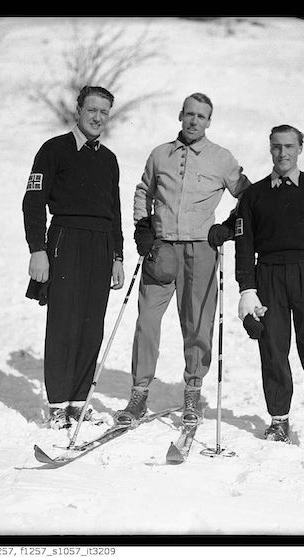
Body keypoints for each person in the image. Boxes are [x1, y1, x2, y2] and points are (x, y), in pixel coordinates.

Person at [114, 92, 251, 427]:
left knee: (197, 324)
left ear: (209, 121)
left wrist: (229, 227)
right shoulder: (160, 155)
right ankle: (139, 394)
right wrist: (142, 225)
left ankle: (192, 392)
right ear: (180, 115)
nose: (194, 121)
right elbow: (143, 190)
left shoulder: (221, 158)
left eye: (201, 117)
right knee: (147, 321)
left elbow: (249, 197)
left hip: (201, 250)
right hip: (161, 250)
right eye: (189, 114)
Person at [228, 124, 304, 449]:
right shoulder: (255, 195)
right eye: (277, 147)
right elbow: (244, 244)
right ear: (270, 149)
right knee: (273, 348)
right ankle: (278, 420)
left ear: (299, 149)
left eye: (289, 147)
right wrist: (247, 289)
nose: (283, 153)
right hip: (268, 277)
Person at [22, 85, 125, 429]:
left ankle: (79, 401)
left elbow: (115, 213)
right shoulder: (53, 150)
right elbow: (33, 201)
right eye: (92, 110)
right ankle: (57, 405)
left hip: (100, 245)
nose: (98, 117)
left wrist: (118, 256)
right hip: (65, 240)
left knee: (91, 325)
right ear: (78, 110)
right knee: (64, 324)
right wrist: (38, 249)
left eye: (104, 112)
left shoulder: (109, 160)